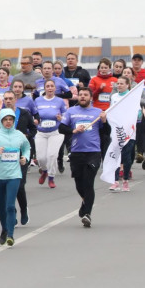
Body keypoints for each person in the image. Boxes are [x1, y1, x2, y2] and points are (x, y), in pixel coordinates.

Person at [0, 110, 32, 246]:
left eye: (11, 119)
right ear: (1, 121)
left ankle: (10, 234)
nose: (8, 122)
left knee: (10, 206)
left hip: (14, 176)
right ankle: (4, 228)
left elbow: (27, 147)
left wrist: (25, 158)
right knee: (1, 207)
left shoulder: (19, 135)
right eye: (5, 119)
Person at [60, 88, 103, 228]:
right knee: (79, 183)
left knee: (88, 183)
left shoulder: (97, 113)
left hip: (93, 152)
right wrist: (73, 130)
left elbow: (106, 132)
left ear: (91, 97)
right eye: (81, 95)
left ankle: (87, 214)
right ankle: (85, 202)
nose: (83, 97)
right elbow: (61, 128)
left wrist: (105, 121)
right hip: (77, 151)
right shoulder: (71, 112)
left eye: (86, 95)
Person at [31, 79, 68, 188]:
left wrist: (61, 118)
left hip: (56, 132)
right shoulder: (38, 100)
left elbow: (66, 116)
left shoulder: (60, 101)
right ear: (45, 88)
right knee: (41, 157)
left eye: (52, 86)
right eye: (48, 86)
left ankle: (51, 177)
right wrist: (35, 121)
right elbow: (33, 114)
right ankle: (44, 171)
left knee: (52, 155)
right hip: (41, 131)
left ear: (55, 88)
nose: (50, 88)